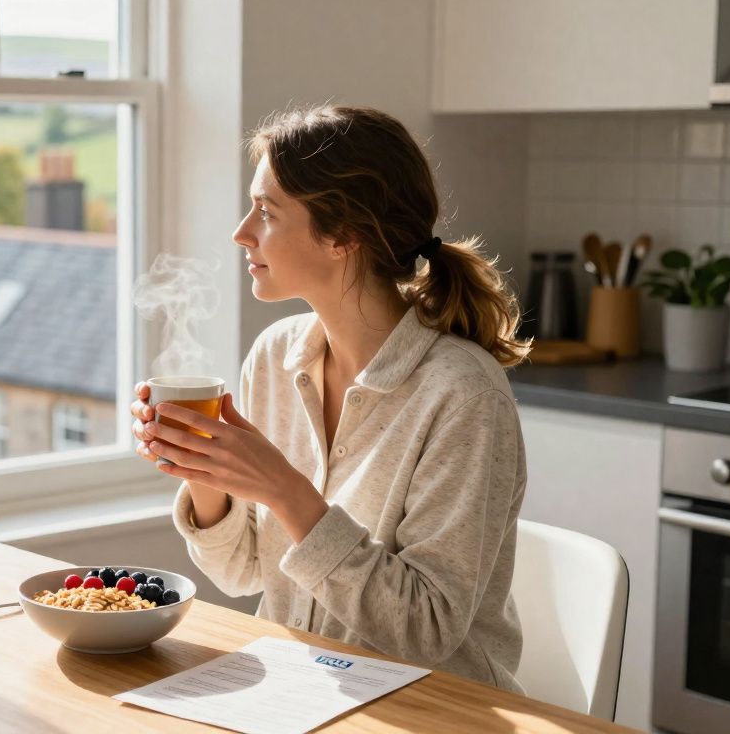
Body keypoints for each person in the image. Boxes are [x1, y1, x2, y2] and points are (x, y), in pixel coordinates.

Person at [131, 105, 531, 692]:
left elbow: (426, 630)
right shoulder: (274, 357)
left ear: (343, 234)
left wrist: (283, 490)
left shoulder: (462, 393)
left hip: (432, 708)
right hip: (301, 688)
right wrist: (203, 469)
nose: (241, 232)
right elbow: (242, 571)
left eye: (266, 212)